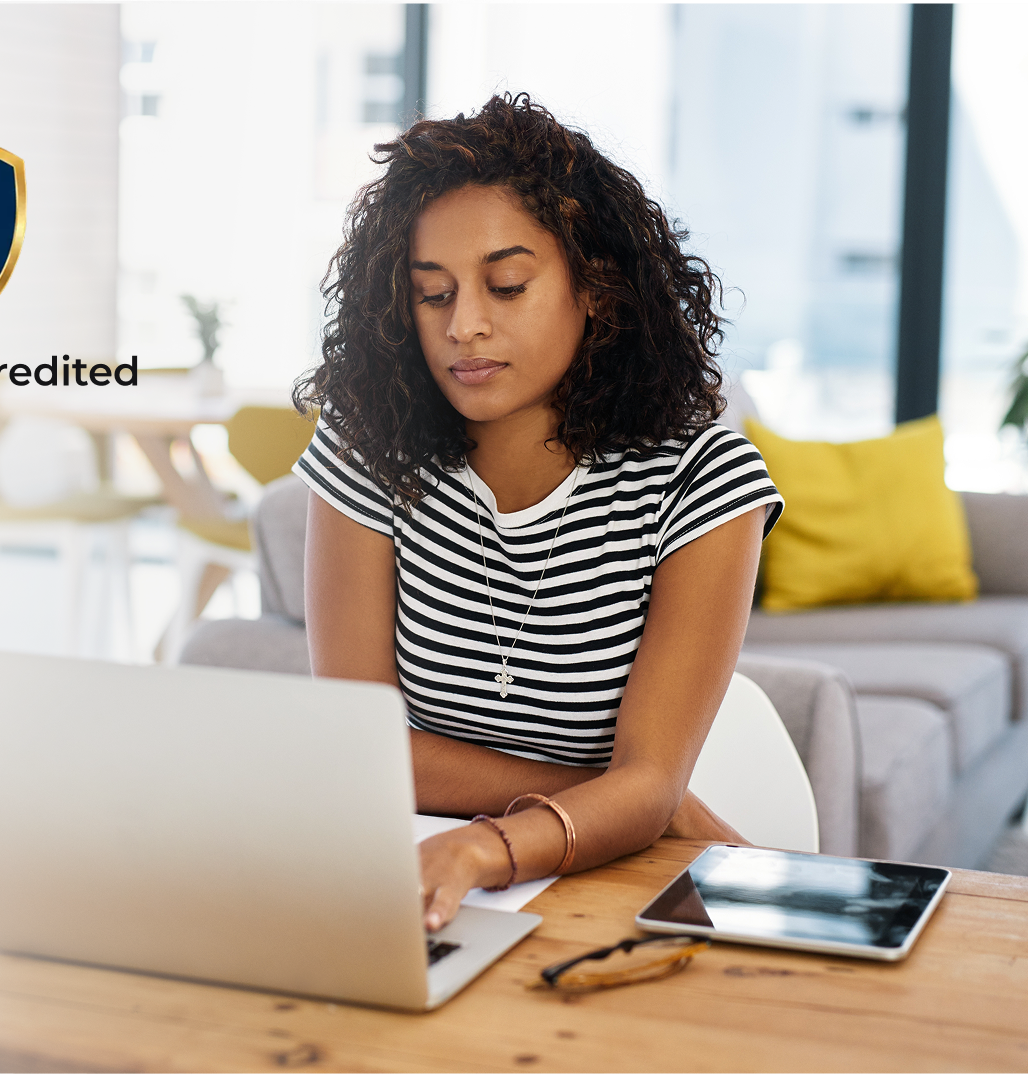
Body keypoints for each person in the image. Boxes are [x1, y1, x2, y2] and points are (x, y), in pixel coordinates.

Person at [293, 94, 783, 932]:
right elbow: (359, 747)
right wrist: (630, 800)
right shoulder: (369, 446)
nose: (465, 327)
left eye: (506, 285)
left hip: (610, 887)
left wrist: (498, 843)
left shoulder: (699, 480)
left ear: (595, 287)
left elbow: (648, 778)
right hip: (408, 881)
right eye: (432, 295)